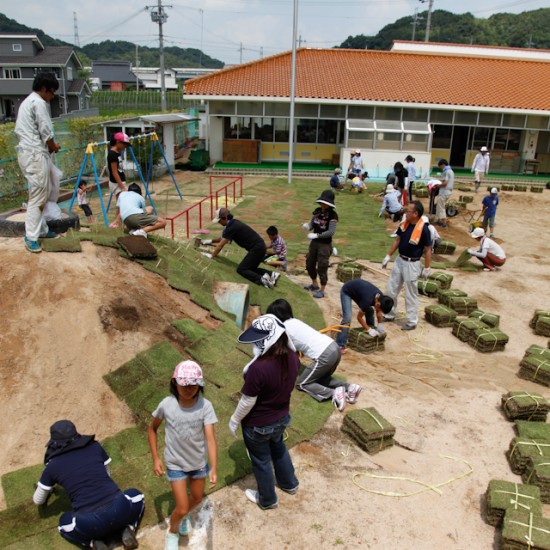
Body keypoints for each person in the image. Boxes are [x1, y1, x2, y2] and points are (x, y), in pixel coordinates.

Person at [33, 420, 144, 550]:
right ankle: (128, 528)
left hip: (90, 522)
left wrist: (52, 486)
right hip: (118, 509)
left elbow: (38, 500)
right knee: (136, 495)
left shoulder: (52, 466)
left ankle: (93, 543)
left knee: (64, 523)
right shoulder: (95, 446)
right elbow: (107, 475)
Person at [229, 314, 300, 509]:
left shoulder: (258, 369)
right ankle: (289, 484)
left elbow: (247, 401)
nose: (255, 343)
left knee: (261, 460)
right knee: (278, 448)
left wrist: (234, 420)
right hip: (282, 417)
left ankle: (268, 499)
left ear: (267, 340)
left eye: (258, 339)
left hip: (258, 425)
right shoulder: (293, 357)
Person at [148, 361, 218, 550]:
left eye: (193, 385)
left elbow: (210, 438)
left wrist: (213, 467)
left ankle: (184, 516)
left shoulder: (206, 406)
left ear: (200, 385)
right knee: (182, 507)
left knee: (196, 499)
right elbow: (152, 429)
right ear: (174, 382)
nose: (188, 389)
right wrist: (156, 458)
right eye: (184, 384)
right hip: (175, 464)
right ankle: (172, 532)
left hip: (198, 465)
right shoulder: (166, 405)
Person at [267, 298, 362, 411]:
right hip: (334, 348)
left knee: (302, 384)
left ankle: (333, 393)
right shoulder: (295, 321)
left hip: (325, 355)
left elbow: (284, 353)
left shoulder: (283, 329)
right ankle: (350, 387)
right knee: (319, 378)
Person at [15, 72, 61, 253]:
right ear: (44, 89)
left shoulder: (27, 102)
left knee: (42, 193)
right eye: (52, 92)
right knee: (38, 196)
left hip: (30, 153)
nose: (52, 97)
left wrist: (49, 147)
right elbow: (46, 131)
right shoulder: (39, 103)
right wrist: (53, 146)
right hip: (34, 154)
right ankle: (31, 237)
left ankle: (41, 230)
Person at [381, 200, 432, 331]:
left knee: (411, 293)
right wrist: (388, 255)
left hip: (412, 264)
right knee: (391, 288)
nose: (405, 212)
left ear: (415, 213)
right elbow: (398, 240)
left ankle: (412, 321)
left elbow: (427, 249)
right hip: (399, 260)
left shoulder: (424, 230)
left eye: (408, 211)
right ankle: (389, 313)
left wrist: (427, 267)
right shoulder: (404, 224)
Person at [202, 207, 279, 288]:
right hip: (260, 247)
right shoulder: (233, 223)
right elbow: (223, 239)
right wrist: (210, 241)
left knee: (241, 269)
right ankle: (272, 274)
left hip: (257, 249)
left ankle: (263, 280)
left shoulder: (231, 227)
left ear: (225, 218)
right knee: (249, 268)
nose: (219, 223)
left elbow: (221, 245)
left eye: (219, 221)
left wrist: (211, 255)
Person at [335, 280, 394, 351]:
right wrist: (369, 330)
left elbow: (378, 312)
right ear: (378, 304)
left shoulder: (381, 298)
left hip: (359, 292)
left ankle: (371, 333)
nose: (380, 312)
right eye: (381, 310)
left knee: (370, 311)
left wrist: (380, 324)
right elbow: (359, 318)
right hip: (347, 291)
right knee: (347, 317)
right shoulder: (367, 300)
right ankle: (340, 344)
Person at [303, 189, 339, 299]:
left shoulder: (333, 216)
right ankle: (314, 284)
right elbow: (312, 223)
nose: (322, 204)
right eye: (322, 202)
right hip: (314, 244)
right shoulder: (317, 211)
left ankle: (322, 290)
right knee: (309, 263)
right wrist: (307, 227)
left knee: (322, 267)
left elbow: (331, 232)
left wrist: (317, 235)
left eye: (325, 203)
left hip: (324, 245)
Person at [107, 132, 132, 228]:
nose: (125, 147)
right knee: (121, 204)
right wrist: (122, 186)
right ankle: (116, 223)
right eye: (124, 144)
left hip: (120, 182)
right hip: (116, 183)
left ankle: (118, 223)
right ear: (118, 142)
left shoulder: (117, 153)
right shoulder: (112, 154)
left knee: (120, 204)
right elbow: (114, 172)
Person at [435, 159, 454, 228]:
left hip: (444, 191)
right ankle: (439, 220)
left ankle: (443, 222)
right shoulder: (451, 171)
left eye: (440, 166)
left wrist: (438, 185)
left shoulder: (446, 171)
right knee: (440, 206)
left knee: (441, 207)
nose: (441, 168)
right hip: (448, 191)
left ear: (443, 164)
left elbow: (445, 183)